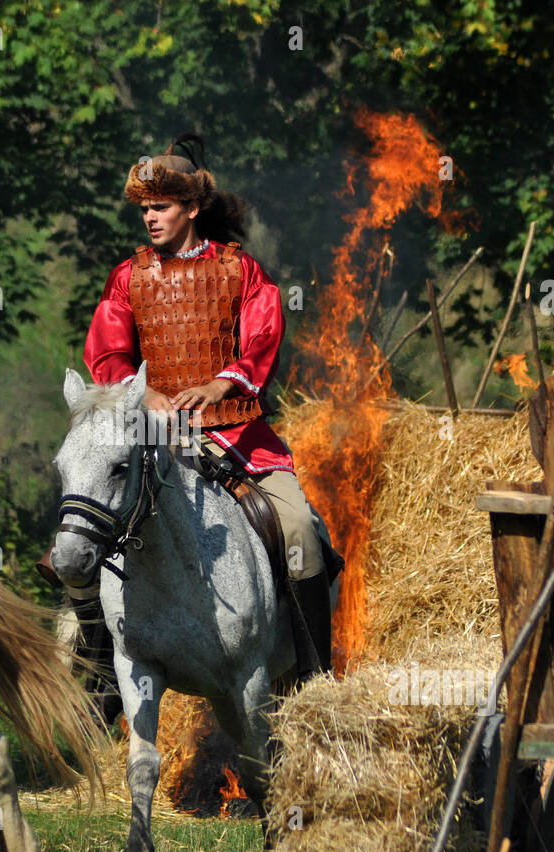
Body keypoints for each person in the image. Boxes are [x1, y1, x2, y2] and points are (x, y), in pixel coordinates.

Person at [80, 134, 334, 684]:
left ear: (192, 208)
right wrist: (140, 392)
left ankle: (318, 680)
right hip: (155, 432)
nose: (150, 218)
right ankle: (99, 677)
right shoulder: (128, 278)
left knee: (297, 532)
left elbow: (263, 338)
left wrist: (223, 385)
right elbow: (107, 352)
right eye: (144, 209)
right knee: (84, 526)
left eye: (162, 207)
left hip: (236, 433)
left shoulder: (240, 270)